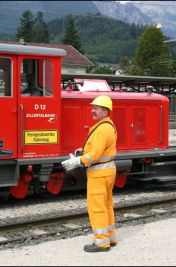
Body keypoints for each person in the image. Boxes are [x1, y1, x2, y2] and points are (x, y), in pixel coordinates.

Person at [61, 95, 117, 253]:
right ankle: (110, 237)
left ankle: (101, 243)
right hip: (107, 171)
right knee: (106, 205)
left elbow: (95, 155)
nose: (92, 110)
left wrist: (78, 161)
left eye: (96, 108)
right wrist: (82, 152)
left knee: (97, 207)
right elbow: (97, 150)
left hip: (99, 174)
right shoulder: (107, 126)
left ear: (105, 111)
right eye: (93, 107)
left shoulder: (102, 128)